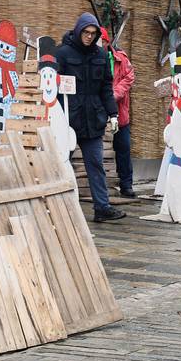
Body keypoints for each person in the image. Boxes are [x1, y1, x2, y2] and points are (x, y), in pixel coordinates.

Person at [55, 13, 126, 222]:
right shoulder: (63, 54)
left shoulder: (101, 56)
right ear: (78, 31)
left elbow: (106, 87)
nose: (89, 36)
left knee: (95, 164)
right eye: (86, 32)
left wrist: (113, 113)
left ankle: (102, 208)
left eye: (93, 33)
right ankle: (61, 208)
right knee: (62, 163)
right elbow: (50, 86)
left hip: (93, 117)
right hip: (68, 118)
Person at [99, 28, 137, 198]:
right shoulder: (91, 59)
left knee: (123, 147)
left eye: (102, 41)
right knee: (98, 149)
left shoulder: (121, 59)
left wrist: (114, 94)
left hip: (120, 111)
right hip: (99, 110)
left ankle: (126, 184)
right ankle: (100, 187)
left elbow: (129, 76)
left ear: (107, 42)